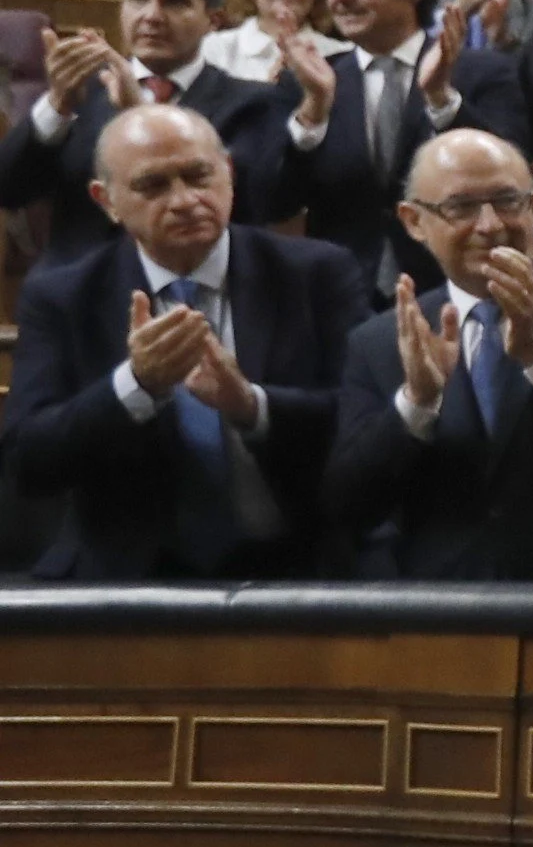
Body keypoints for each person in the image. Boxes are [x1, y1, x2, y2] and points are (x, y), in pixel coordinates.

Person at [4, 102, 371, 579]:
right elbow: (29, 461)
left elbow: (363, 421)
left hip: (294, 567)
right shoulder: (63, 295)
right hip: (126, 580)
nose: (183, 200)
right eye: (153, 185)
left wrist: (251, 406)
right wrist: (135, 387)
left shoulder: (316, 273)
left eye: (199, 177)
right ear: (105, 200)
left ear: (229, 175)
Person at [327, 130, 533, 581]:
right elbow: (350, 504)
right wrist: (417, 403)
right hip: (447, 610)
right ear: (413, 222)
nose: (489, 225)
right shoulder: (380, 341)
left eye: (507, 201)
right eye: (460, 207)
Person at [274, 0, 531, 289]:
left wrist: (442, 99)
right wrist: (313, 111)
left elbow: (511, 179)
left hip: (451, 287)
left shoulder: (481, 72)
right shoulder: (310, 80)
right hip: (340, 294)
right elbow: (276, 202)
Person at [0, 0, 287, 265]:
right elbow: (9, 189)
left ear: (213, 20)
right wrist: (55, 105)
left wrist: (141, 115)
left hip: (192, 287)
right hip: (79, 291)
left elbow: (246, 206)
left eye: (174, 1)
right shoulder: (81, 91)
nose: (151, 16)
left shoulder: (251, 103)